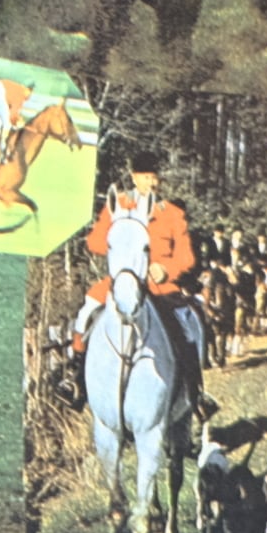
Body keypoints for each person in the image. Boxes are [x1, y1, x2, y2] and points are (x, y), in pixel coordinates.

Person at [70, 159, 211, 417]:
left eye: (155, 177)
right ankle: (75, 380)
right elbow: (95, 242)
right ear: (134, 178)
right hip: (121, 282)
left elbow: (187, 257)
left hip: (160, 286)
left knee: (185, 328)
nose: (152, 182)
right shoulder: (119, 205)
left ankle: (195, 393)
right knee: (85, 315)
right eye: (146, 177)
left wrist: (166, 269)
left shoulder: (172, 213)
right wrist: (119, 241)